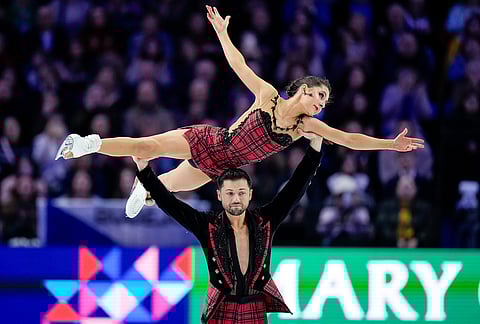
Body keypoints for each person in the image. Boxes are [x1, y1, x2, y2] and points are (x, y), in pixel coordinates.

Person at [55, 6, 424, 218]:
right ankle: (90, 143)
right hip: (210, 139)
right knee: (146, 147)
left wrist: (389, 145)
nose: (321, 103)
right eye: (318, 96)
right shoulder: (267, 96)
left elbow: (347, 139)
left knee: (162, 189)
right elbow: (238, 64)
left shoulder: (304, 126)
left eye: (325, 100)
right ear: (304, 90)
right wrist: (222, 33)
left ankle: (143, 187)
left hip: (219, 167)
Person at [133, 129, 324, 323]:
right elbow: (171, 205)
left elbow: (295, 189)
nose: (236, 199)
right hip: (220, 309)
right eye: (230, 193)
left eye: (241, 193)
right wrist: (144, 171)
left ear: (250, 194)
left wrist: (315, 148)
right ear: (219, 195)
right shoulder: (207, 226)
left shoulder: (265, 221)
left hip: (255, 310)